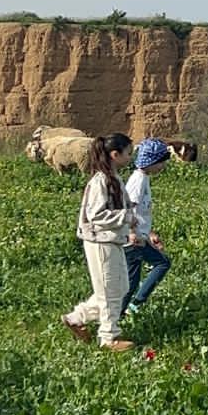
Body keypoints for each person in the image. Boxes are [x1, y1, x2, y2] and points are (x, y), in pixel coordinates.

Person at [62, 132, 138, 352]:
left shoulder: (113, 178)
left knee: (120, 287)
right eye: (128, 153)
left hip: (112, 239)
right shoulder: (101, 181)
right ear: (115, 154)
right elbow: (95, 215)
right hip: (100, 241)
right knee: (109, 291)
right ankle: (109, 338)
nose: (130, 157)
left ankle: (77, 318)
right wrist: (125, 216)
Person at [123, 138, 172, 317]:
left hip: (140, 236)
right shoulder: (138, 181)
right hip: (134, 240)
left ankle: (121, 312)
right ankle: (127, 309)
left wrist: (150, 233)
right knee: (161, 264)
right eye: (161, 162)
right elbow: (128, 207)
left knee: (132, 281)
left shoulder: (143, 178)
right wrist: (131, 233)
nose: (163, 166)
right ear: (151, 161)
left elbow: (141, 213)